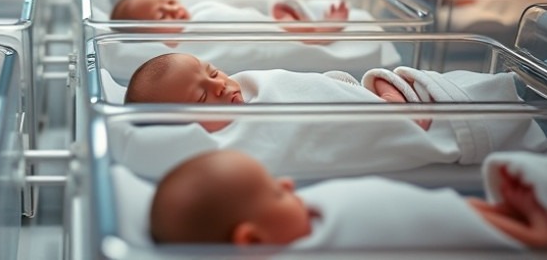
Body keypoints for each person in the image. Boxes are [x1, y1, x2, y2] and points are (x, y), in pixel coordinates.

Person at [150, 150, 547, 248]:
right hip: (443, 231)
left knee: (447, 207)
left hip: (441, 207)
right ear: (253, 242)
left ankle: (504, 215)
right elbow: (435, 223)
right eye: (275, 192)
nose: (289, 183)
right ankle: (533, 235)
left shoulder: (296, 225)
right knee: (451, 218)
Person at [124, 53, 425, 132]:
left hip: (360, 93)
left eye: (213, 72)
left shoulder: (254, 87)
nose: (218, 85)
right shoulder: (235, 143)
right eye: (202, 98)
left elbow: (316, 85)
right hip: (384, 114)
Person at [109, 0, 349, 35]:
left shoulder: (197, 11)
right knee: (286, 33)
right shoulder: (182, 40)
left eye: (169, 2)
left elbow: (233, 12)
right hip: (271, 32)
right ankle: (321, 32)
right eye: (161, 16)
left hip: (263, 19)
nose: (173, 10)